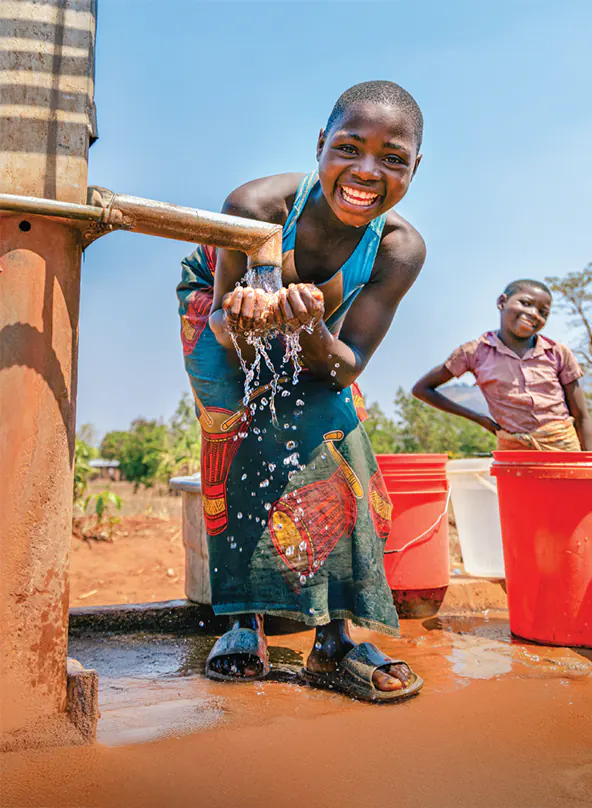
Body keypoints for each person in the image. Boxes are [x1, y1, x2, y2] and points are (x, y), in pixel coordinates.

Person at [177, 80, 427, 702]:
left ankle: (334, 639)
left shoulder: (398, 248)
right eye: (349, 147)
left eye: (393, 158)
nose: (367, 171)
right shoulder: (257, 205)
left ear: (415, 167)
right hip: (219, 311)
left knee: (337, 439)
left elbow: (347, 366)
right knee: (236, 435)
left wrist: (308, 325)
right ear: (321, 145)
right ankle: (242, 620)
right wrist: (252, 318)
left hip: (321, 337)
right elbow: (233, 342)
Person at [412, 279, 592, 451]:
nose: (534, 314)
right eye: (525, 303)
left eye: (543, 312)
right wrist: (479, 419)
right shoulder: (474, 352)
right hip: (514, 449)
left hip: (563, 445)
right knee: (517, 489)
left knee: (569, 488)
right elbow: (422, 389)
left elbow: (582, 417)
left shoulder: (557, 352)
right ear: (502, 302)